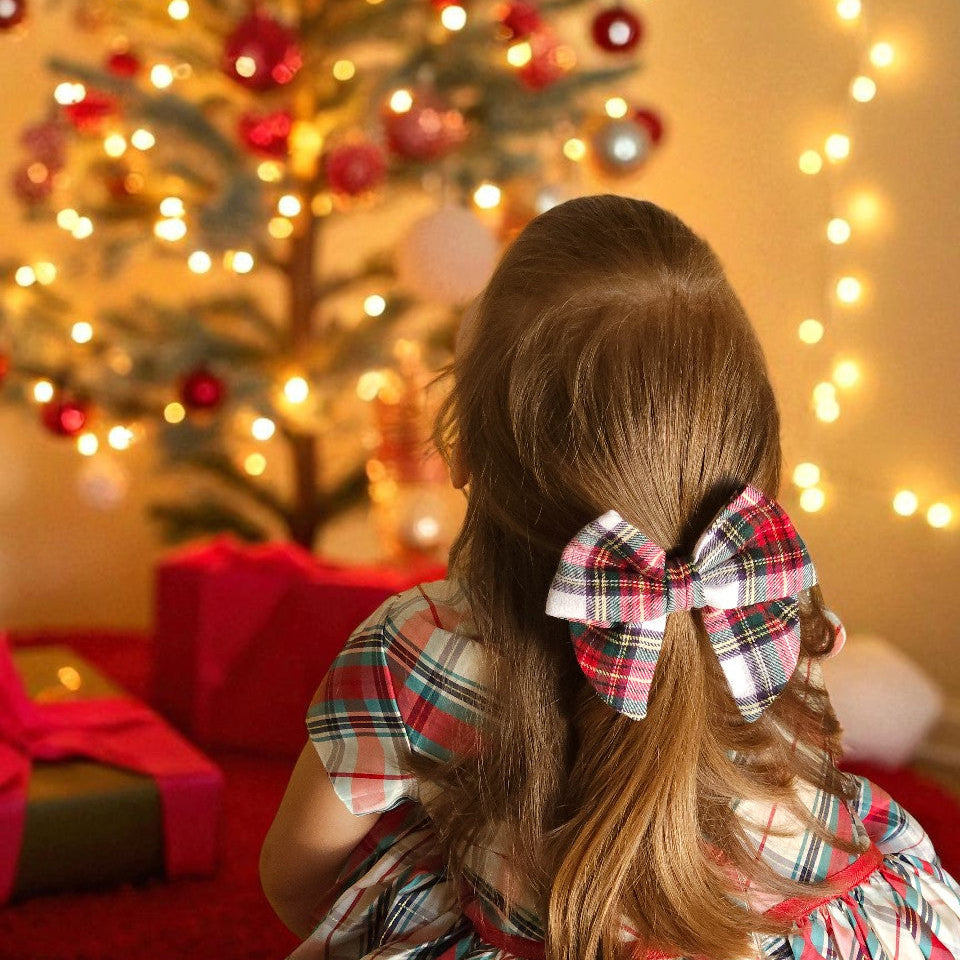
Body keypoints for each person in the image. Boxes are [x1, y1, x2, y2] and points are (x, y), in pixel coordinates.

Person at [260, 195, 960, 960]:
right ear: (756, 452)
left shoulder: (413, 645)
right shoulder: (767, 599)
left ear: (462, 452)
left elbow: (297, 876)